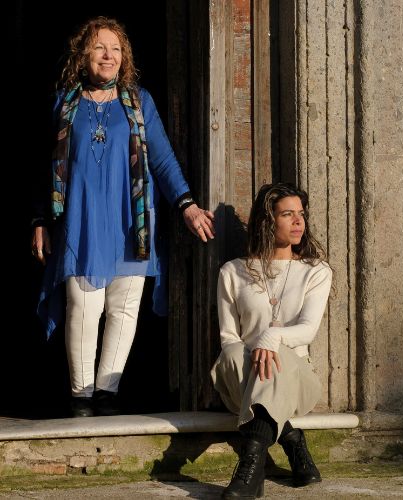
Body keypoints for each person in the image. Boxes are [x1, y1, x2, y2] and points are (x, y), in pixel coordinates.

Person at [31, 16, 214, 418]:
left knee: (124, 310)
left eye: (115, 48)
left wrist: (186, 204)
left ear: (124, 56)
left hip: (132, 222)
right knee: (83, 308)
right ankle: (80, 398)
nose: (108, 55)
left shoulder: (138, 100)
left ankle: (107, 395)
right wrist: (40, 220)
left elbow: (163, 160)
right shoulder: (64, 102)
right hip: (81, 221)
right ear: (83, 56)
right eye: (99, 47)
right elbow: (43, 167)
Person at [211, 183, 333, 498]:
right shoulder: (232, 272)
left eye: (301, 214)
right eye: (288, 214)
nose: (298, 222)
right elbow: (228, 339)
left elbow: (306, 330)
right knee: (236, 352)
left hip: (297, 378)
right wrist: (260, 348)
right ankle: (291, 440)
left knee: (277, 356)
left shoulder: (316, 271)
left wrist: (272, 336)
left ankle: (250, 472)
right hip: (241, 379)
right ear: (268, 221)